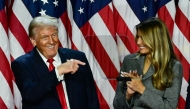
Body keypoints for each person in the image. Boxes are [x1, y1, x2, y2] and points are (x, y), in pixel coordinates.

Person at [11, 15, 100, 109]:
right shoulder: (22, 64)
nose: (51, 41)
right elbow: (30, 94)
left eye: (54, 35)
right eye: (45, 37)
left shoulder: (77, 57)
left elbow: (91, 98)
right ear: (33, 41)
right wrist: (58, 71)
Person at [113, 17, 183, 109]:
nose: (138, 42)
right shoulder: (129, 61)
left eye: (143, 38)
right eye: (138, 37)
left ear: (157, 39)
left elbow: (169, 107)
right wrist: (128, 95)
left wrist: (141, 89)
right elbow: (117, 105)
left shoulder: (173, 67)